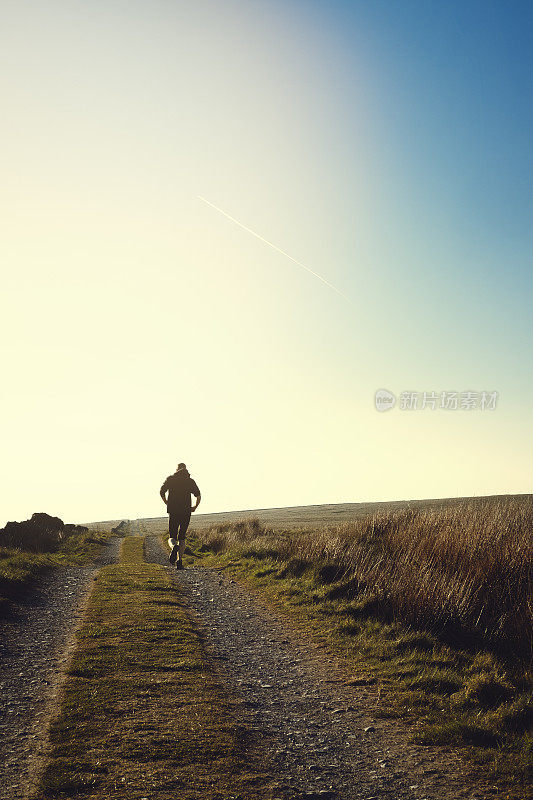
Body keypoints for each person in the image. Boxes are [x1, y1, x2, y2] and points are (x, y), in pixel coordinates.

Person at [159, 463, 201, 569]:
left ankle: (174, 546)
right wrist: (195, 507)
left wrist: (166, 502)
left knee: (172, 536)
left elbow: (161, 491)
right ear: (186, 470)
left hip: (173, 511)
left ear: (177, 469)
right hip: (186, 511)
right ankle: (179, 561)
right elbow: (198, 495)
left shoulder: (170, 479)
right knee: (182, 536)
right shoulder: (190, 481)